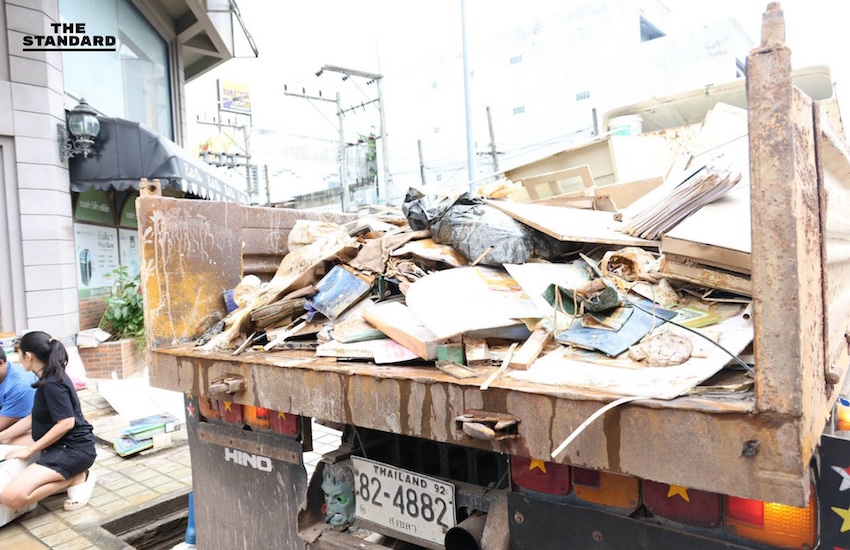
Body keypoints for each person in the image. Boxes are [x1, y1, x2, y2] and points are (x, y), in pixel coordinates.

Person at [0, 331, 97, 512]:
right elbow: (33, 418)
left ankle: (76, 478)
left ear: (28, 356)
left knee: (10, 497)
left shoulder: (52, 384)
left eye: (19, 355)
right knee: (8, 443)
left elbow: (66, 422)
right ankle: (53, 475)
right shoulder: (48, 376)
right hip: (62, 445)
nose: (19, 361)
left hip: (72, 450)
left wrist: (30, 450)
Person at [0, 346, 37, 442]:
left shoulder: (20, 386)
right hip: (10, 417)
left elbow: (2, 424)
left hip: (32, 426)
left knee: (8, 443)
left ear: (1, 363)